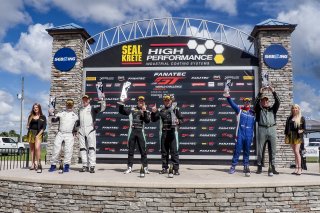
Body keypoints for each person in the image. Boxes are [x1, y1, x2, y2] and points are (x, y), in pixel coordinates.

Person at [224, 90, 255, 177]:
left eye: (248, 101)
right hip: (240, 134)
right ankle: (233, 166)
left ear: (250, 103)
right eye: (245, 101)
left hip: (249, 135)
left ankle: (246, 166)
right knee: (237, 151)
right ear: (243, 102)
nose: (247, 103)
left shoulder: (253, 113)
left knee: (247, 152)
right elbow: (232, 104)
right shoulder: (239, 110)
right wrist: (228, 96)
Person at [151, 95, 183, 176]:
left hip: (173, 132)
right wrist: (153, 112)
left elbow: (182, 119)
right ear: (163, 101)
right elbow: (154, 119)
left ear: (171, 101)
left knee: (174, 152)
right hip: (164, 133)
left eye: (168, 100)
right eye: (165, 100)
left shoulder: (175, 109)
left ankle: (176, 169)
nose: (167, 101)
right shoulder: (161, 110)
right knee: (164, 152)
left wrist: (178, 121)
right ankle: (164, 168)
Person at [119, 96, 151, 174]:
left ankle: (145, 167)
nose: (141, 102)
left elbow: (147, 121)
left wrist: (144, 112)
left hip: (141, 132)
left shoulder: (145, 110)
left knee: (143, 151)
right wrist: (121, 103)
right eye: (139, 101)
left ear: (144, 102)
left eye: (142, 101)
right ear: (137, 102)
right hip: (132, 131)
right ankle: (129, 167)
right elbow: (121, 111)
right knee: (130, 151)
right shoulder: (132, 109)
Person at [254, 86, 280, 176]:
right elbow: (255, 103)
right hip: (262, 129)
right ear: (261, 102)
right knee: (261, 149)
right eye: (263, 101)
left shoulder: (273, 109)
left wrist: (273, 91)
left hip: (272, 129)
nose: (265, 102)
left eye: (267, 101)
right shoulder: (258, 110)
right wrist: (260, 93)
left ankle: (272, 167)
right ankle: (259, 166)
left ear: (269, 102)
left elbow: (278, 102)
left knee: (273, 149)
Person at [48, 99, 78, 173]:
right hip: (60, 133)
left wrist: (75, 131)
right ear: (66, 105)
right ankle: (53, 165)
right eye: (68, 104)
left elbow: (77, 125)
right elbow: (54, 120)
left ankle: (66, 166)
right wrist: (51, 114)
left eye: (71, 104)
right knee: (56, 148)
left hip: (69, 134)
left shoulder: (75, 115)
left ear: (73, 105)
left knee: (68, 150)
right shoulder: (61, 113)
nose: (69, 106)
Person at [78, 94, 106, 173]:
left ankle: (92, 166)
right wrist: (75, 130)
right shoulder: (80, 109)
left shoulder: (92, 108)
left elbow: (102, 108)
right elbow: (78, 121)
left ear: (89, 100)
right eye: (83, 99)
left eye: (86, 99)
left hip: (90, 129)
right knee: (82, 149)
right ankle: (84, 165)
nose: (85, 101)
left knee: (91, 148)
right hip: (81, 130)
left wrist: (103, 100)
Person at [285, 104, 306, 175]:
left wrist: (301, 130)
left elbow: (304, 128)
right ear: (292, 109)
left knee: (297, 151)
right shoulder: (289, 118)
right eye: (293, 108)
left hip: (298, 136)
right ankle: (296, 168)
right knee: (295, 152)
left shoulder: (301, 118)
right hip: (291, 136)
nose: (295, 109)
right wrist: (286, 135)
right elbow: (286, 127)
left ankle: (300, 168)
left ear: (298, 109)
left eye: (296, 108)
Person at [27, 103, 47, 173]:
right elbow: (28, 125)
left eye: (36, 107)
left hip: (39, 134)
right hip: (31, 133)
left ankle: (39, 163)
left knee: (37, 148)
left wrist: (38, 134)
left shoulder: (43, 117)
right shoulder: (30, 116)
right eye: (34, 107)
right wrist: (27, 127)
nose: (35, 108)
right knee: (32, 149)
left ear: (39, 108)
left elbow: (44, 127)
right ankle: (33, 164)